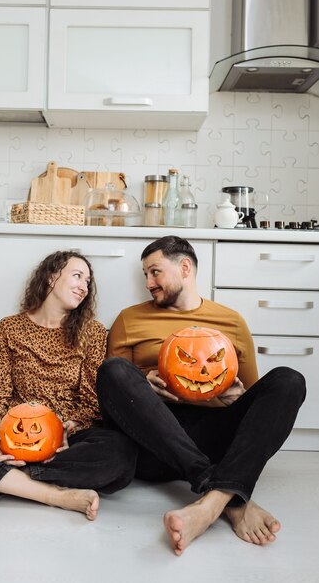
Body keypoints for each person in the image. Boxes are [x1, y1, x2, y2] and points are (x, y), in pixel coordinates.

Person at [96, 235, 306, 554]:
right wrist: (142, 382)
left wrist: (235, 397)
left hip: (213, 434)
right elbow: (115, 394)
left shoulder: (231, 322)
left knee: (289, 380)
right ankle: (226, 494)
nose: (149, 283)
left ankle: (211, 504)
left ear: (184, 268)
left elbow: (256, 400)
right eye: (145, 275)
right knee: (112, 370)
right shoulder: (130, 319)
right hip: (153, 441)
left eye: (155, 272)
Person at [0, 251, 136, 521]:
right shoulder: (9, 328)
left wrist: (70, 426)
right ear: (51, 277)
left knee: (121, 453)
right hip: (10, 436)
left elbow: (90, 401)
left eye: (88, 282)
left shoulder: (93, 332)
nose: (84, 287)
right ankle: (55, 494)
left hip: (65, 440)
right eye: (77, 276)